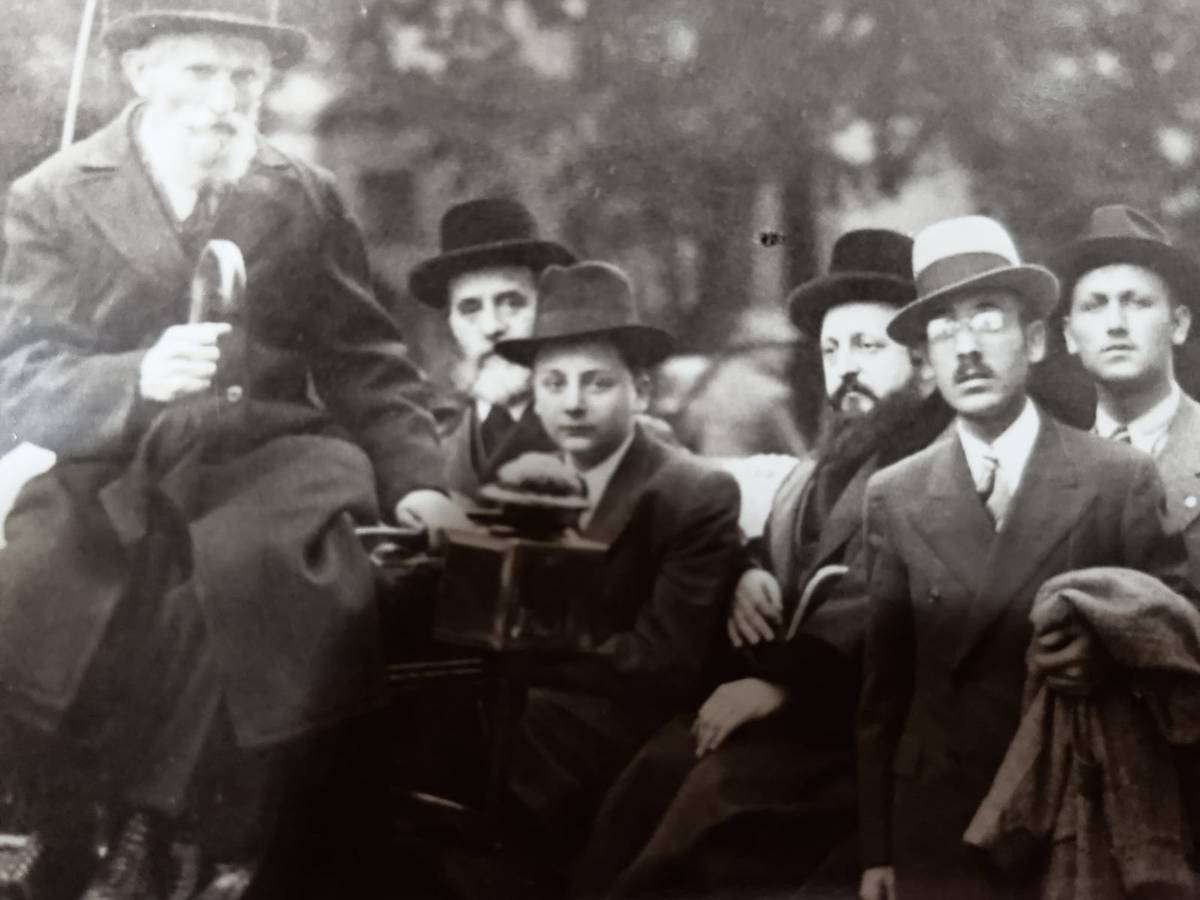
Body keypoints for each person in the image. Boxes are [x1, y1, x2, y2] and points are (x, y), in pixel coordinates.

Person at [0, 2, 465, 897]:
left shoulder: (302, 191)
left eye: (245, 78)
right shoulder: (52, 195)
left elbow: (365, 360)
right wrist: (136, 378)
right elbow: (19, 377)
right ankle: (71, 824)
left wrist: (419, 483)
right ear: (141, 73)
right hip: (116, 459)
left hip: (273, 450)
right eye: (199, 73)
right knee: (47, 581)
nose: (224, 100)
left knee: (263, 574)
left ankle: (216, 837)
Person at [573, 229, 954, 899]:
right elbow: (789, 552)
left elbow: (889, 600)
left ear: (924, 367)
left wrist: (782, 685)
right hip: (809, 717)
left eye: (869, 347)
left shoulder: (944, 462)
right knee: (658, 762)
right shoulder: (830, 462)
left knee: (718, 799)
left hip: (871, 739)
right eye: (832, 350)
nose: (846, 370)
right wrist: (744, 570)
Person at [856, 215, 1192, 900]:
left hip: (1075, 813)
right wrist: (878, 849)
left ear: (1036, 339)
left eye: (988, 318)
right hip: (937, 822)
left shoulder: (1116, 476)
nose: (967, 348)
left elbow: (1174, 651)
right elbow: (883, 692)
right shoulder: (893, 493)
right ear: (926, 359)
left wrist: (1105, 656)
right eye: (943, 330)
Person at [490, 261, 742, 856]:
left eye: (597, 383)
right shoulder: (526, 482)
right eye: (553, 385)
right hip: (531, 707)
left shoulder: (690, 493)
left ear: (642, 391)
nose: (572, 405)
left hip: (628, 728)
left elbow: (664, 663)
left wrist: (532, 637)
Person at [1054, 205, 1200, 584]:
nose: (1116, 325)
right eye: (1094, 306)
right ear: (1070, 335)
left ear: (1179, 325)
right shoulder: (1049, 473)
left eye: (1137, 302)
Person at [408, 197, 577, 497]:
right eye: (470, 309)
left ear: (545, 309)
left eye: (512, 303)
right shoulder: (428, 443)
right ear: (451, 324)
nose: (491, 327)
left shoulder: (597, 429)